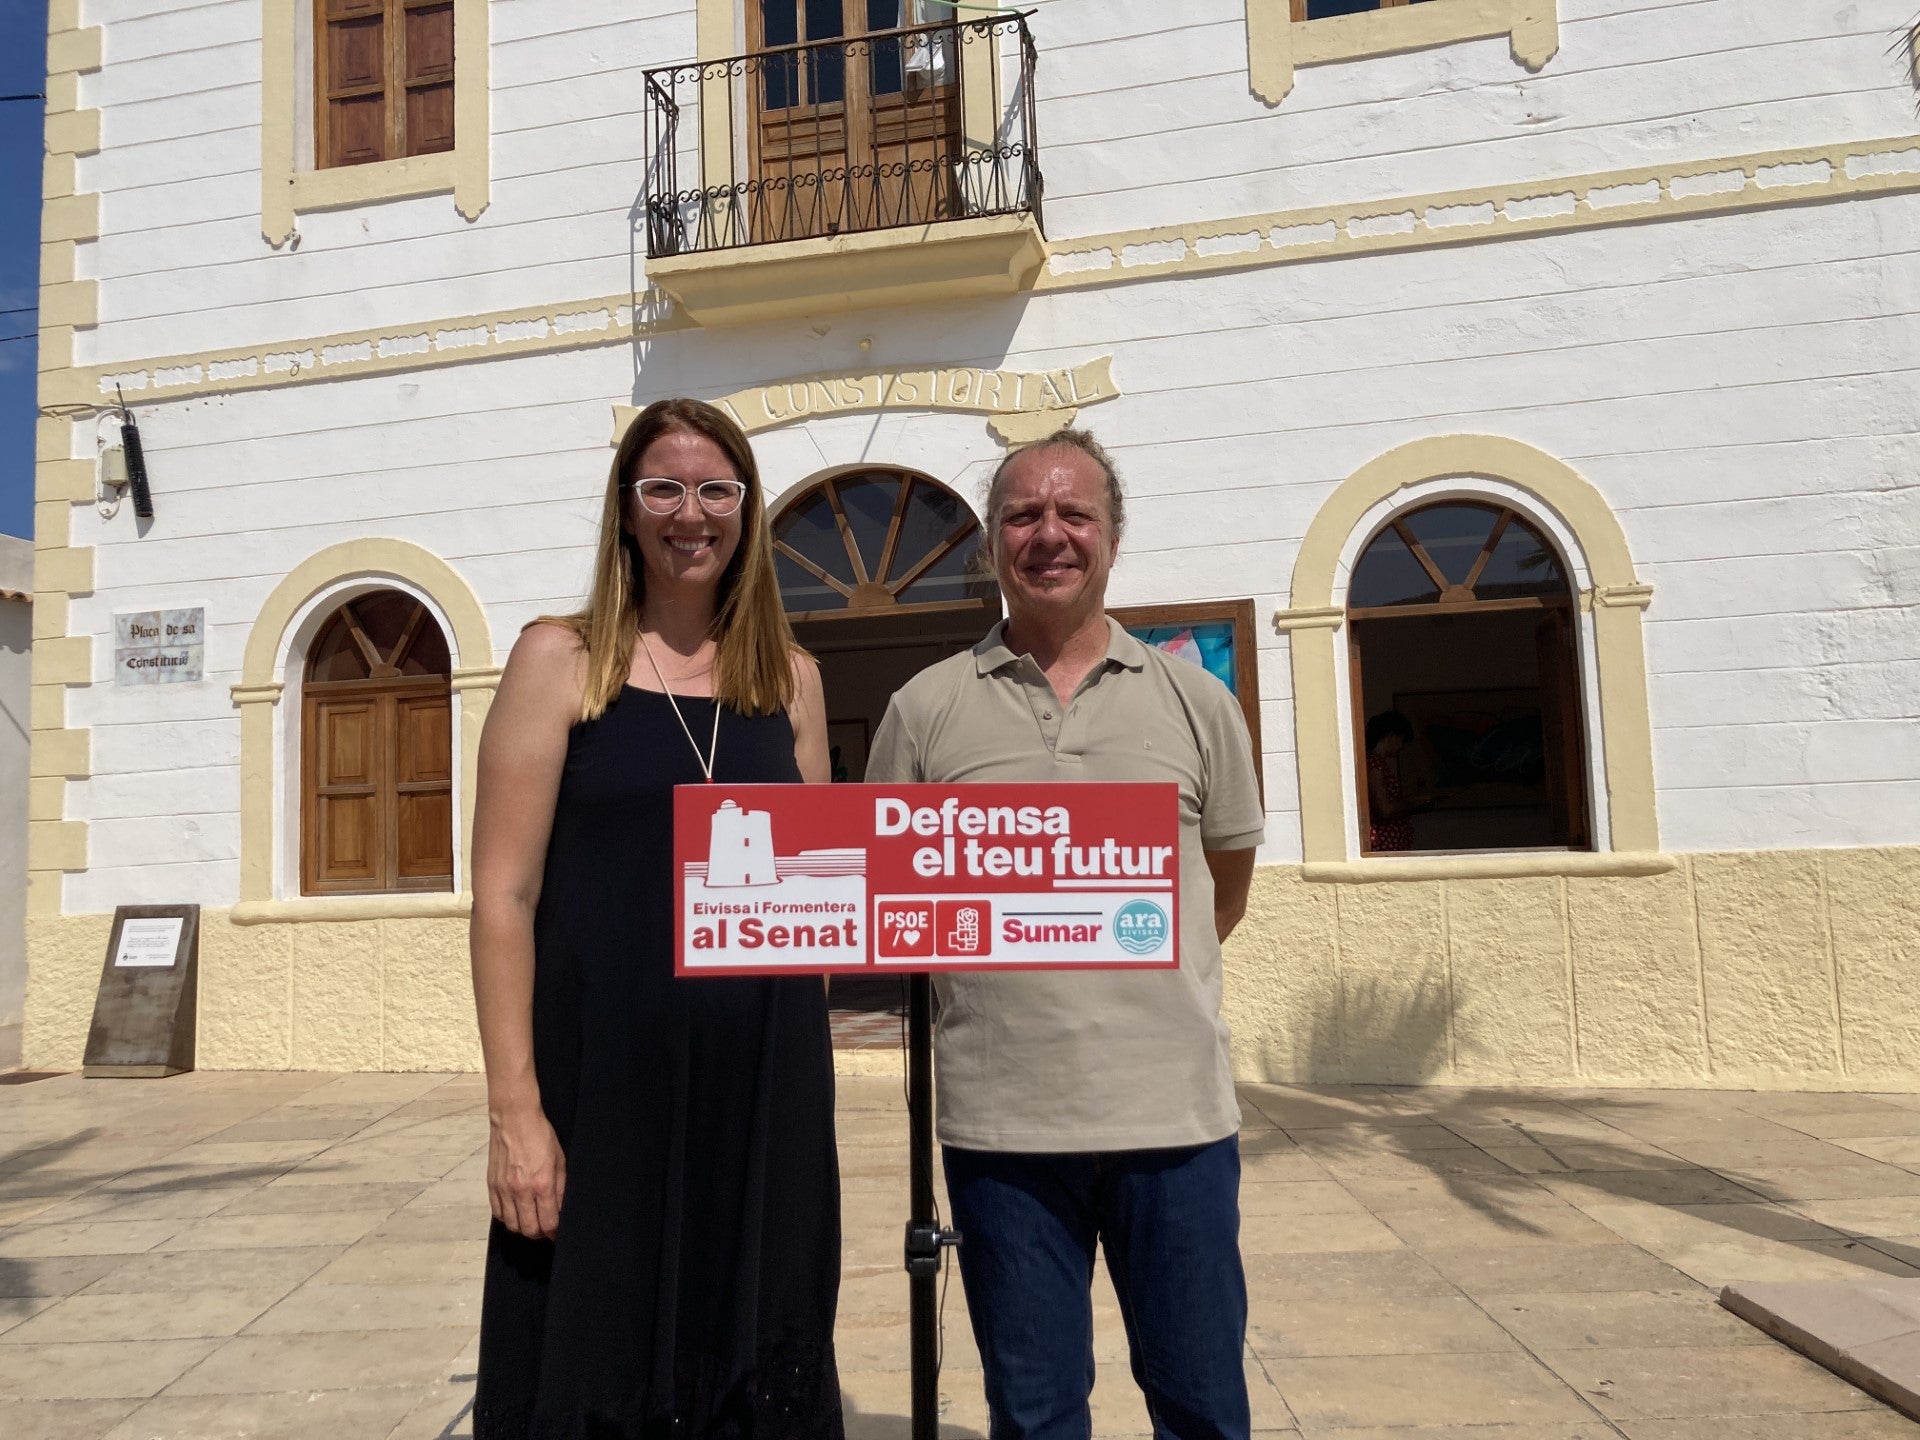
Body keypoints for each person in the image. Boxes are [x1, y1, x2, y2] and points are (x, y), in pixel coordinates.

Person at [865, 429, 1265, 1440]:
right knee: (1035, 1416)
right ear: (992, 543)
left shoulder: (1196, 700)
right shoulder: (923, 710)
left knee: (1205, 1406)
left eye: (1072, 513)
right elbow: (888, 892)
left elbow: (1224, 887)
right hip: (1005, 1139)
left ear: (1113, 535)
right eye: (1022, 515)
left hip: (1175, 1127)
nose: (1049, 534)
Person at [470, 397, 843, 1440]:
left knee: (754, 1344)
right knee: (598, 1353)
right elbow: (504, 896)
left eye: (717, 488)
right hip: (604, 1092)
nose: (694, 512)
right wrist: (516, 1113)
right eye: (665, 488)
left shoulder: (795, 681)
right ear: (627, 511)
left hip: (759, 1093)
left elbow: (812, 900)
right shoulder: (561, 659)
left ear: (748, 508)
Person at [1363, 710, 1420, 853]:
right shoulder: (1374, 764)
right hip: (1385, 842)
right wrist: (1415, 802)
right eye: (1401, 741)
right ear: (1391, 736)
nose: (1401, 747)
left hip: (1392, 840)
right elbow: (1384, 809)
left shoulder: (1378, 764)